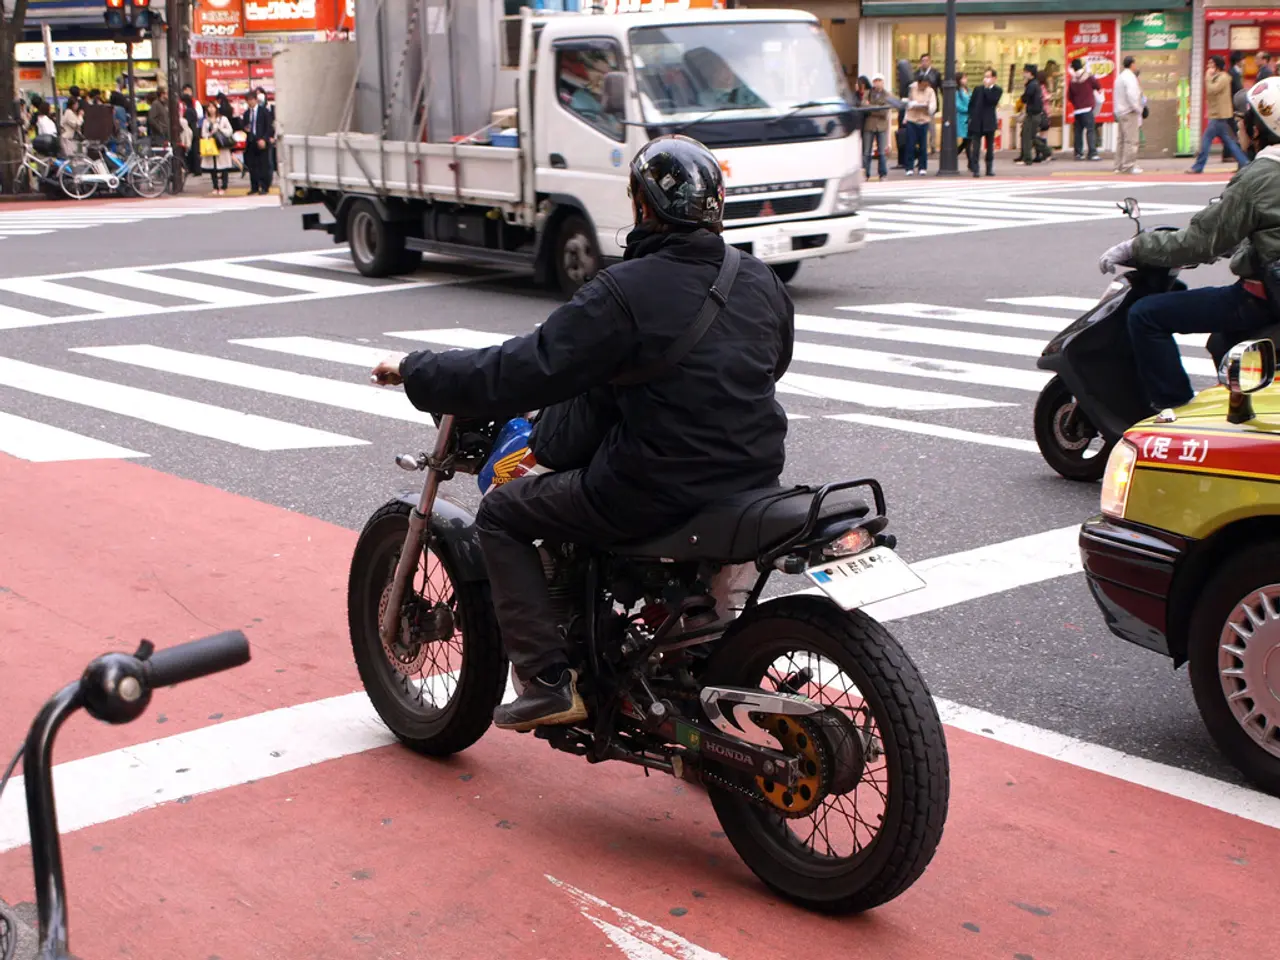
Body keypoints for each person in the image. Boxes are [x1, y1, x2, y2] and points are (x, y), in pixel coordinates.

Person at [368, 135, 794, 730]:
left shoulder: (623, 291)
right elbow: (770, 365)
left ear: (643, 207)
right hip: (755, 479)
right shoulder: (758, 279)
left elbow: (521, 369)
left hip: (653, 489)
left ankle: (547, 680)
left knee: (504, 515)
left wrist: (419, 371)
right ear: (716, 205)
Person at [1099, 78, 1280, 422]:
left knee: (1147, 315)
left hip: (1261, 299)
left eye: (1243, 121)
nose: (1238, 127)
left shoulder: (1260, 177)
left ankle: (1176, 412)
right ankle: (1238, 415)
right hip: (1271, 293)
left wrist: (1135, 247)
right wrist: (1240, 245)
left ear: (1259, 128)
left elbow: (1198, 242)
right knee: (1221, 342)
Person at [1190, 55, 1250, 174]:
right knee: (1228, 141)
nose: (1208, 66)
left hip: (1219, 115)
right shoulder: (1217, 77)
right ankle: (1245, 163)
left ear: (1217, 65)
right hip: (1217, 114)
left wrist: (1207, 77)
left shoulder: (1224, 77)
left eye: (1211, 64)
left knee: (1207, 140)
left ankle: (1198, 166)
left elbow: (1213, 90)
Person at [967, 68, 1001, 177]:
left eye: (988, 77)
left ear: (994, 79)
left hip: (989, 121)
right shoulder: (978, 89)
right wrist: (971, 116)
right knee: (975, 146)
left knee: (989, 147)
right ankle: (976, 168)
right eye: (985, 76)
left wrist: (987, 88)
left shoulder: (997, 90)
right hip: (977, 121)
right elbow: (971, 104)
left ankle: (989, 168)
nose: (986, 79)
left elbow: (992, 100)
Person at [1067, 58, 1101, 161]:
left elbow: (1069, 96)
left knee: (1078, 132)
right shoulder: (1088, 77)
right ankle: (1092, 153)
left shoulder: (1072, 80)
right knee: (1090, 130)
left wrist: (1076, 103)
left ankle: (1078, 153)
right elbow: (1098, 86)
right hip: (1087, 109)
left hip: (1077, 110)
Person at [862, 73, 895, 181]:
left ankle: (883, 174)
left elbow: (885, 111)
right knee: (867, 152)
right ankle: (865, 174)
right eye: (875, 81)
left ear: (883, 82)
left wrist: (871, 107)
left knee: (881, 152)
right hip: (869, 125)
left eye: (879, 80)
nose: (877, 83)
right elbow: (863, 106)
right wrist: (877, 108)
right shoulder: (868, 93)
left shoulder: (887, 94)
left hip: (881, 126)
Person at [1113, 56, 1143, 175]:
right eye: (1135, 63)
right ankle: (1128, 166)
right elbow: (1132, 95)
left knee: (1121, 140)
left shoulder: (1120, 77)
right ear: (1132, 64)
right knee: (1131, 140)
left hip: (1120, 112)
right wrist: (1138, 108)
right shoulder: (1130, 78)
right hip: (1129, 111)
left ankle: (1118, 165)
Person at [242, 88, 274, 194]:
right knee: (252, 166)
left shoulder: (264, 111)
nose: (250, 102)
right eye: (248, 100)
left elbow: (269, 127)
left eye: (251, 100)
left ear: (256, 100)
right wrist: (245, 129)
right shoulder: (247, 114)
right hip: (251, 142)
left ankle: (265, 186)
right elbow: (245, 126)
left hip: (262, 141)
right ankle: (254, 187)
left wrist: (264, 139)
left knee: (264, 165)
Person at [903, 75, 936, 176]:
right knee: (910, 145)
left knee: (923, 145)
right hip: (912, 119)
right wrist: (910, 107)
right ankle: (909, 167)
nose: (925, 87)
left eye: (927, 85)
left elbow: (933, 105)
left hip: (924, 120)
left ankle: (922, 167)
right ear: (919, 83)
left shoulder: (930, 91)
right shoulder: (912, 88)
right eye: (923, 85)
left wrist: (928, 106)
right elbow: (906, 102)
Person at [201, 102, 234, 195]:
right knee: (212, 167)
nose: (211, 109)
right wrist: (209, 135)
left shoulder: (223, 119)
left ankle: (224, 186)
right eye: (209, 107)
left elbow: (230, 130)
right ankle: (215, 186)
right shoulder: (206, 121)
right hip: (211, 146)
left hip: (221, 145)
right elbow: (203, 133)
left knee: (224, 167)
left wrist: (220, 129)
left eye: (212, 107)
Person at [1017, 64, 1044, 165]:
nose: (1024, 74)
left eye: (1025, 72)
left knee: (1027, 136)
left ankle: (1027, 159)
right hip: (1035, 113)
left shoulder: (1032, 85)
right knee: (1029, 135)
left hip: (1032, 113)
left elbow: (1025, 98)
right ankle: (1046, 151)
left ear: (1030, 73)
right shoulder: (1034, 84)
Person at [916, 54, 940, 155]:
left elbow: (938, 85)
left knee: (931, 126)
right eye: (923, 61)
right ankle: (923, 145)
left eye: (926, 60)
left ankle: (933, 145)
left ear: (930, 61)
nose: (924, 63)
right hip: (919, 103)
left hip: (930, 102)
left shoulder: (935, 73)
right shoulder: (917, 73)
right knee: (921, 125)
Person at [1224, 50, 1246, 163]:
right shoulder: (1232, 73)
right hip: (1232, 107)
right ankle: (1230, 154)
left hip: (1234, 107)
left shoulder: (1237, 72)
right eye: (1243, 59)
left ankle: (1229, 154)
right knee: (1233, 131)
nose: (1244, 61)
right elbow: (1235, 90)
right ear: (1238, 61)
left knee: (1231, 131)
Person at [955, 72, 971, 168]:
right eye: (963, 78)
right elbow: (958, 105)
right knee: (967, 140)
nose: (965, 80)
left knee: (967, 141)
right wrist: (968, 110)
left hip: (970, 118)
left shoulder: (968, 90)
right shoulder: (957, 92)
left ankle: (955, 155)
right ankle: (971, 162)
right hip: (962, 117)